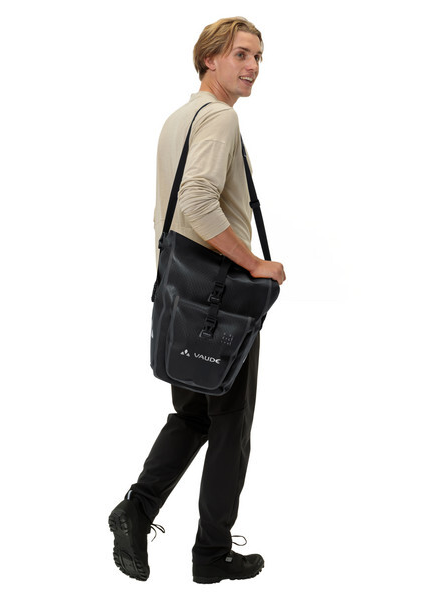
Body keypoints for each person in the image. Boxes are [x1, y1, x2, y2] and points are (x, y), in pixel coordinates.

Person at [108, 16, 286, 585]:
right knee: (230, 424)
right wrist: (253, 264)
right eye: (241, 54)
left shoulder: (178, 119)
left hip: (180, 294)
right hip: (218, 303)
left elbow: (168, 213)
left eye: (258, 57)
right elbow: (197, 202)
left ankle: (136, 510)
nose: (253, 67)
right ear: (210, 59)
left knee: (192, 415)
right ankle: (211, 556)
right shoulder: (220, 119)